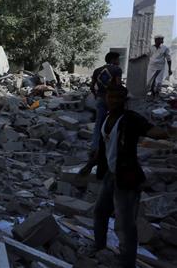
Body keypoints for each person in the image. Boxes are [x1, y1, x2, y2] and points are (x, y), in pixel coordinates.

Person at [80, 85, 171, 268]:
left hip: (127, 178)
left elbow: (152, 131)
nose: (114, 101)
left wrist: (168, 131)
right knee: (100, 212)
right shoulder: (107, 118)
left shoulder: (131, 119)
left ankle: (126, 262)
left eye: (119, 98)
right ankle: (99, 245)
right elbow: (104, 147)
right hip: (110, 175)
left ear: (124, 100)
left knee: (125, 224)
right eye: (111, 97)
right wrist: (89, 166)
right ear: (106, 98)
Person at [90, 52, 123, 152]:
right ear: (113, 59)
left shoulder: (97, 70)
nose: (119, 61)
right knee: (115, 123)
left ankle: (95, 147)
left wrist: (96, 95)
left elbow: (92, 86)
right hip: (113, 100)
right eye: (118, 59)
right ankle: (111, 148)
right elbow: (118, 85)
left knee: (98, 124)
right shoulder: (117, 70)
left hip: (100, 98)